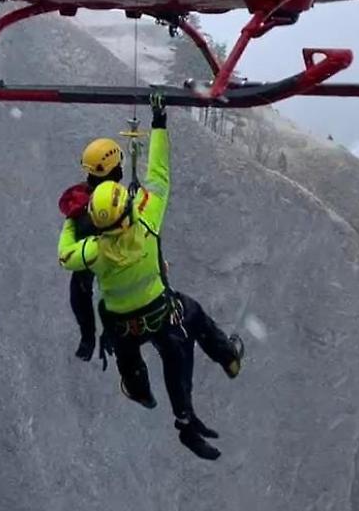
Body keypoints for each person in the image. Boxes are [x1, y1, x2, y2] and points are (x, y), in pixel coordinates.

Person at [57, 94, 244, 461]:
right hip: (161, 312)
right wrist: (159, 122)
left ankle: (138, 387)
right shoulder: (146, 217)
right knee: (189, 328)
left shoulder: (93, 249)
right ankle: (216, 373)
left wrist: (71, 220)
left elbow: (66, 258)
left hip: (122, 327)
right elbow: (159, 173)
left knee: (132, 361)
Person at [57, 137, 125, 361]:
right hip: (109, 260)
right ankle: (109, 335)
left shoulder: (79, 203)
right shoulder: (110, 202)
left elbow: (69, 259)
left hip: (86, 257)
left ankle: (89, 338)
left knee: (81, 288)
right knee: (112, 293)